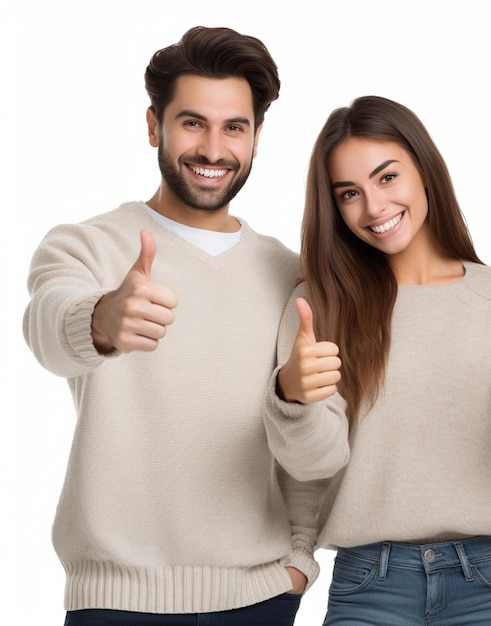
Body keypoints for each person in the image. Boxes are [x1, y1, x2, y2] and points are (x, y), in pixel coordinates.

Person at [23, 26, 318, 626]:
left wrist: (300, 559)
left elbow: (308, 425)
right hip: (117, 602)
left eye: (234, 127)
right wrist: (101, 319)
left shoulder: (290, 274)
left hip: (259, 601)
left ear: (257, 137)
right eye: (192, 123)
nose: (213, 149)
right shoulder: (87, 246)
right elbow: (47, 326)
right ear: (154, 126)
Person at [263, 95, 491, 625]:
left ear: (425, 169)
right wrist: (294, 398)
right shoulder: (319, 306)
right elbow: (312, 464)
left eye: (387, 178)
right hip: (370, 584)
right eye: (350, 193)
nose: (373, 207)